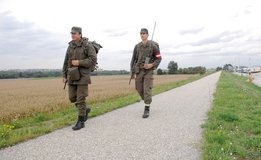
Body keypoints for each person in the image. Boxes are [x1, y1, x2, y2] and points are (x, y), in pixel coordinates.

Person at [62, 26, 97, 130]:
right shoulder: (70, 46)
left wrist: (79, 62)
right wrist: (64, 74)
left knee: (80, 99)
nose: (72, 35)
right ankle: (85, 110)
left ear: (80, 34)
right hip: (72, 75)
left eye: (74, 33)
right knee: (72, 98)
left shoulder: (87, 45)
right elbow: (66, 61)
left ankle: (81, 121)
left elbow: (93, 60)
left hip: (83, 75)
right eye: (71, 33)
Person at [130, 28, 162, 118]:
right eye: (141, 33)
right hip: (139, 70)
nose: (142, 35)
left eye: (144, 33)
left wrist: (152, 65)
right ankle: (147, 100)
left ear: (147, 35)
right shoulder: (137, 46)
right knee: (138, 88)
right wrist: (132, 72)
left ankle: (147, 108)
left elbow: (159, 58)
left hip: (149, 71)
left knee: (147, 89)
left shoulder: (153, 45)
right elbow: (133, 59)